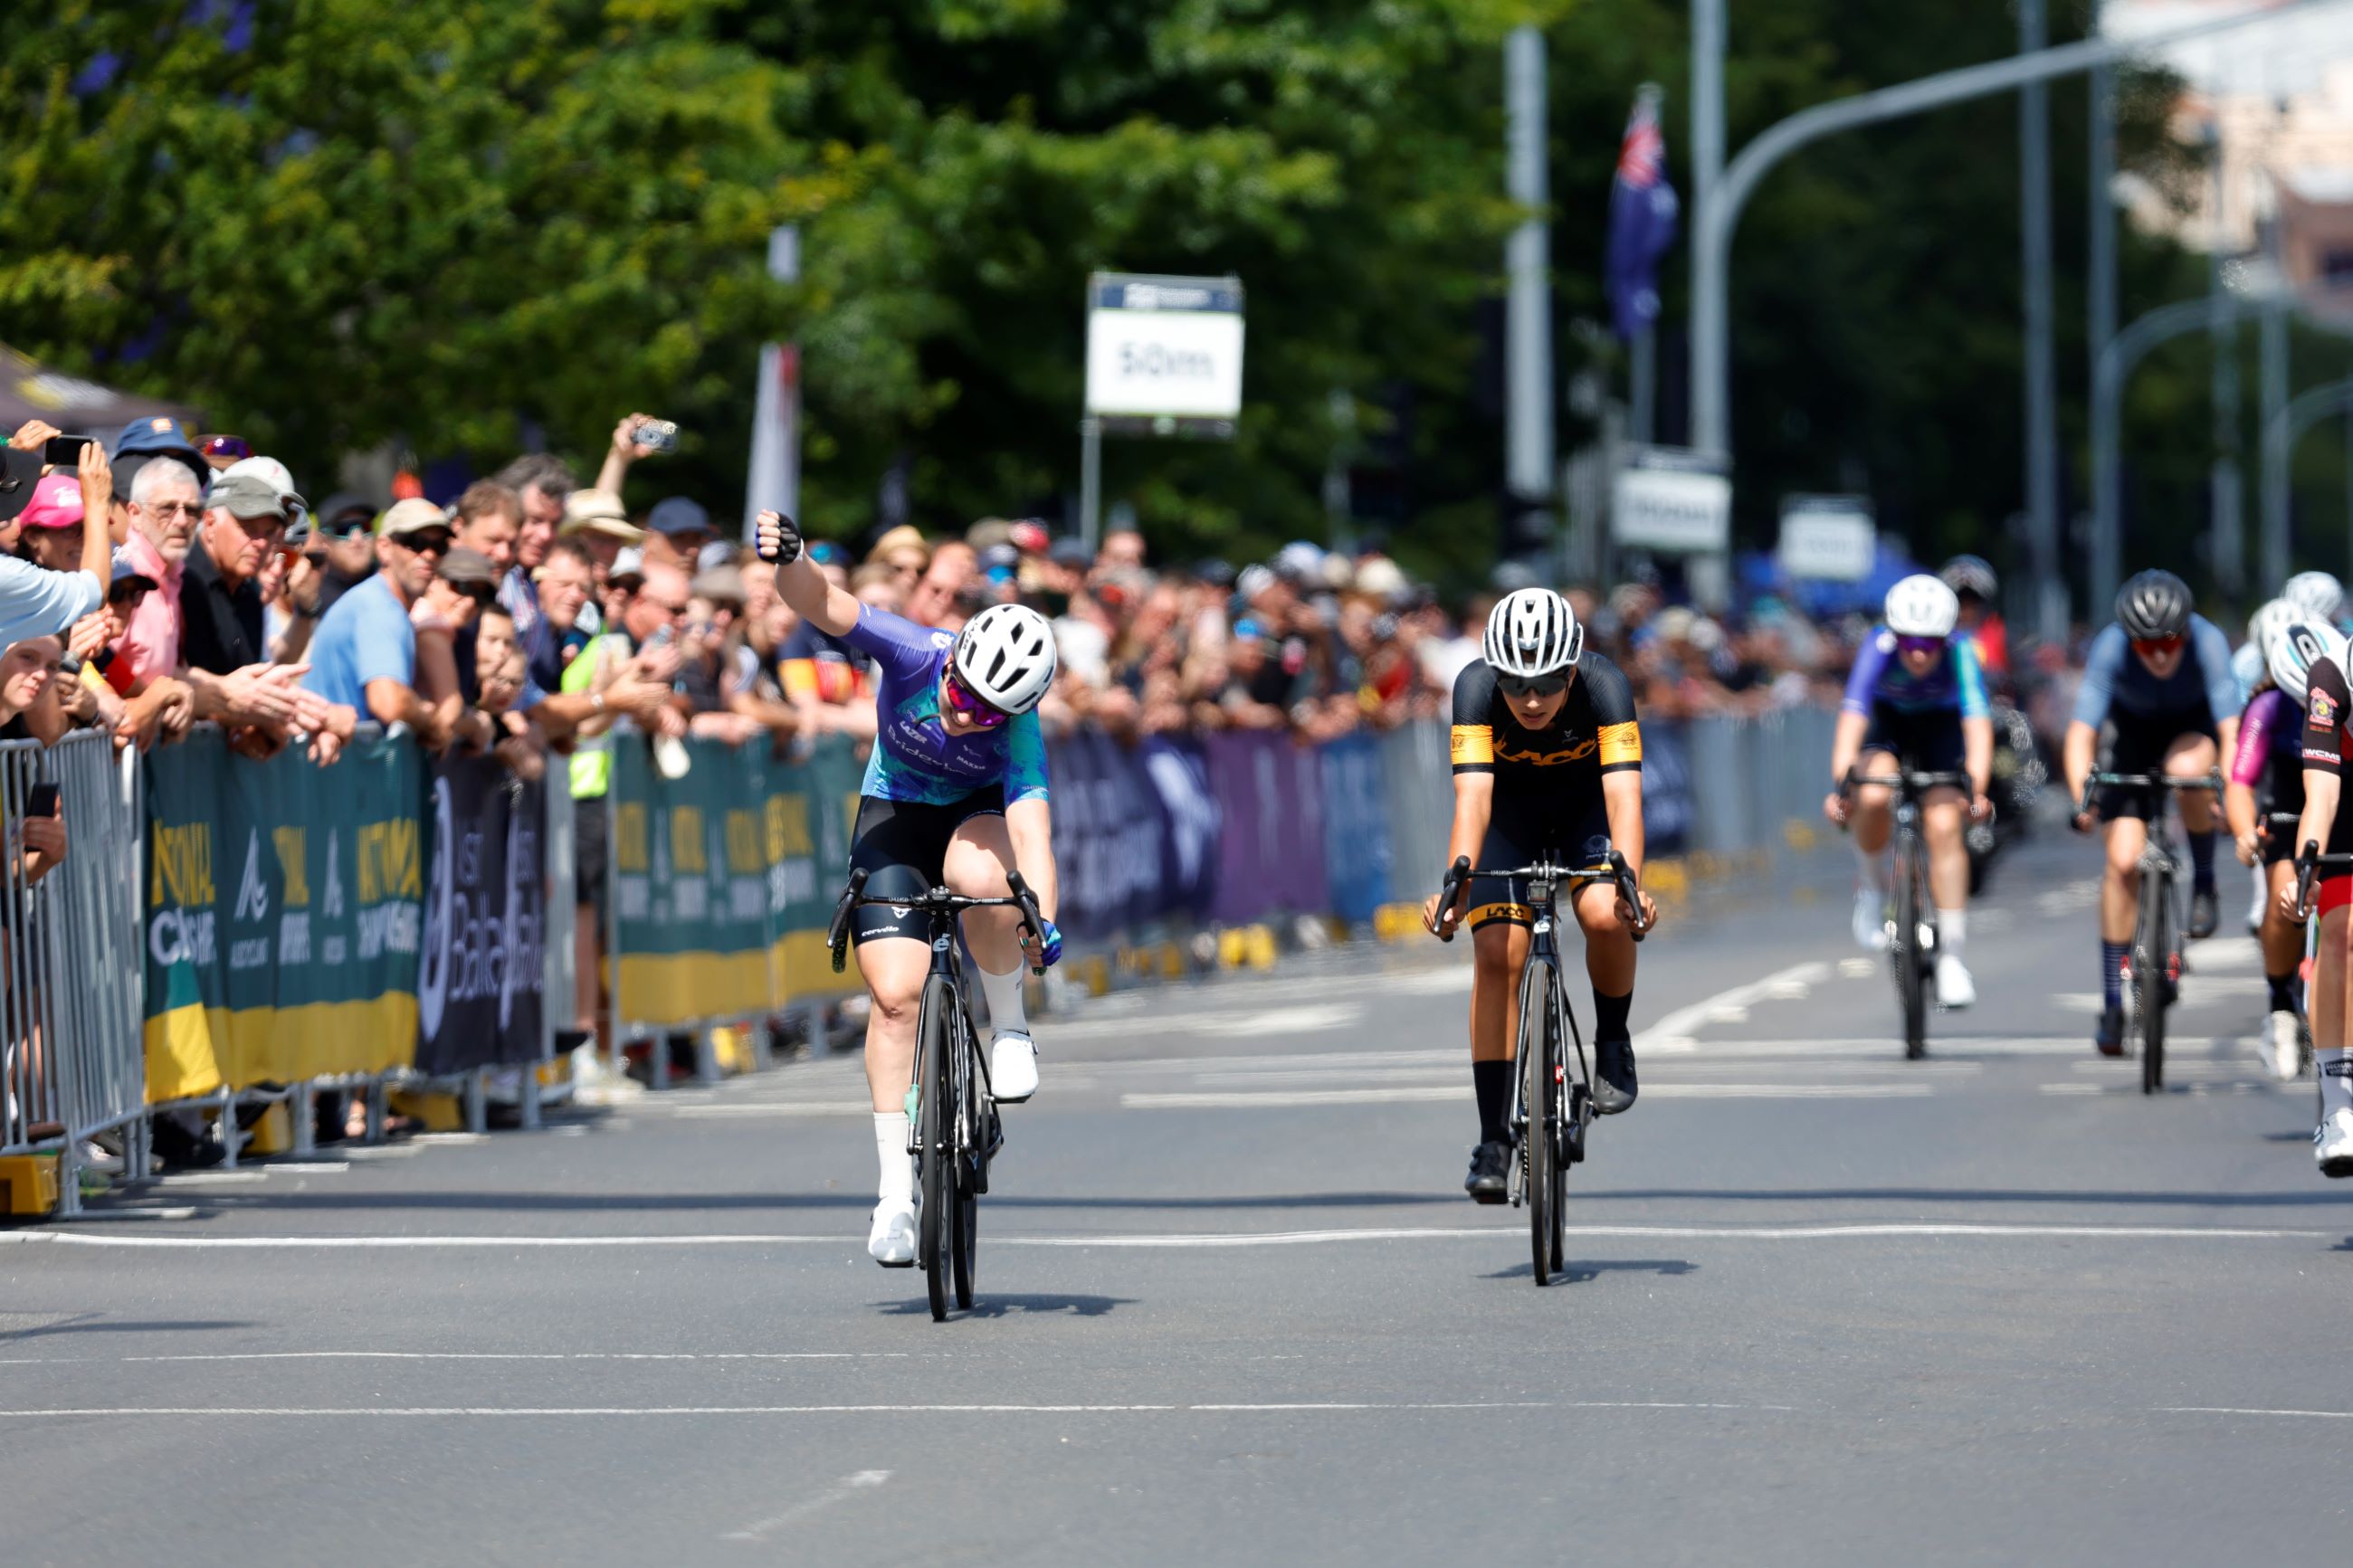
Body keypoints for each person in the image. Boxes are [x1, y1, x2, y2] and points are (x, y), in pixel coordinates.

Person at [757, 507, 1062, 1269]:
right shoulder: (915, 652)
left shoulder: (1018, 735)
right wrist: (791, 558)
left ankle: (1011, 1023)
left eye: (987, 712)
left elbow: (1033, 837)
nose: (965, 712)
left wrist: (1043, 924)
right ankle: (895, 1192)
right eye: (963, 691)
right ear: (954, 660)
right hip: (893, 810)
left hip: (971, 821)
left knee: (990, 880)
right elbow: (822, 604)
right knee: (895, 996)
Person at [1422, 587, 1657, 1205]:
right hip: (1510, 819)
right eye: (1515, 682)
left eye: (1548, 684)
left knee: (1606, 914)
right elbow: (1472, 800)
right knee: (1498, 952)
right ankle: (1493, 1140)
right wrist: (1455, 880)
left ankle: (1612, 1039)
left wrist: (1630, 876)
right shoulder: (1473, 689)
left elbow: (1624, 797)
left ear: (1572, 668)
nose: (1530, 700)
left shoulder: (1606, 687)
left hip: (1585, 814)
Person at [2063, 570, 2240, 1055]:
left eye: (2169, 642)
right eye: (2146, 647)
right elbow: (2082, 733)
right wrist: (2084, 797)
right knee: (2121, 863)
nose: (2160, 654)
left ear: (2185, 632)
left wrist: (2231, 786)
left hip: (2192, 729)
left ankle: (2204, 881)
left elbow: (2231, 727)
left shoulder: (2206, 641)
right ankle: (2113, 1002)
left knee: (2187, 773)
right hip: (2133, 737)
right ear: (2129, 641)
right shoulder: (2109, 647)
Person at [1823, 575, 1994, 1006]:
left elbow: (1977, 723)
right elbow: (1853, 717)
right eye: (1910, 641)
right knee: (1874, 792)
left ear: (1947, 638)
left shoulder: (1960, 653)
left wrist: (1976, 788)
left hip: (1940, 729)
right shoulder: (1878, 647)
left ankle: (1953, 957)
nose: (1919, 652)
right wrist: (1842, 787)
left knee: (1943, 823)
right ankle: (1872, 886)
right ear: (1894, 634)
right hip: (1889, 722)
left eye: (1931, 643)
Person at [2227, 615, 2326, 1080]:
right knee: (2284, 902)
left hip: (2336, 792)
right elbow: (2240, 782)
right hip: (2287, 798)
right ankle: (2280, 1006)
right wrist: (2246, 831)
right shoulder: (2267, 706)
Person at [2288, 619, 2353, 1175]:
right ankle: (2339, 1109)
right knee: (2342, 931)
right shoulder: (2330, 679)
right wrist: (2305, 867)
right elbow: (2323, 795)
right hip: (2348, 799)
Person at [1939, 555, 2007, 685]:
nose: (1965, 611)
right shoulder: (1937, 638)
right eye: (1959, 603)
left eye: (1973, 604)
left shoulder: (2001, 634)